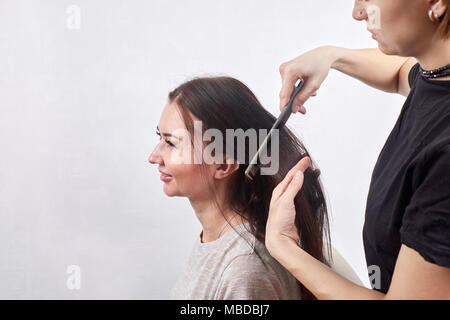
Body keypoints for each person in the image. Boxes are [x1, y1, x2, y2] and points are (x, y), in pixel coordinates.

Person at [265, 0, 450, 299]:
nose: (358, 12)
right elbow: (404, 72)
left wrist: (282, 245)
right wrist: (332, 56)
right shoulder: (436, 75)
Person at [148, 76, 360, 300]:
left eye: (171, 143)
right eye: (159, 138)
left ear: (222, 164)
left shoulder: (244, 268)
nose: (153, 156)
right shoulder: (216, 241)